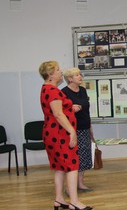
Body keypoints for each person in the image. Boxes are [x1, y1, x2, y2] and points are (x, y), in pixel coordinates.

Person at [38, 61, 92, 210]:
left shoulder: (46, 88)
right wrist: (72, 131)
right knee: (72, 166)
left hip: (52, 132)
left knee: (60, 168)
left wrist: (70, 108)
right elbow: (58, 114)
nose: (61, 72)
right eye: (57, 70)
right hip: (59, 134)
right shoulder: (53, 90)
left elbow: (58, 109)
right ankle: (74, 201)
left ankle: (59, 199)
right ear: (50, 74)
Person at [62, 68, 95, 192]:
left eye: (80, 74)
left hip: (85, 127)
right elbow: (61, 112)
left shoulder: (82, 90)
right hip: (72, 130)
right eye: (77, 75)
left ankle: (80, 183)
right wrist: (71, 107)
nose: (80, 76)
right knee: (73, 158)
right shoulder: (63, 92)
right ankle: (70, 186)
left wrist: (90, 127)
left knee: (84, 156)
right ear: (70, 79)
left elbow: (86, 110)